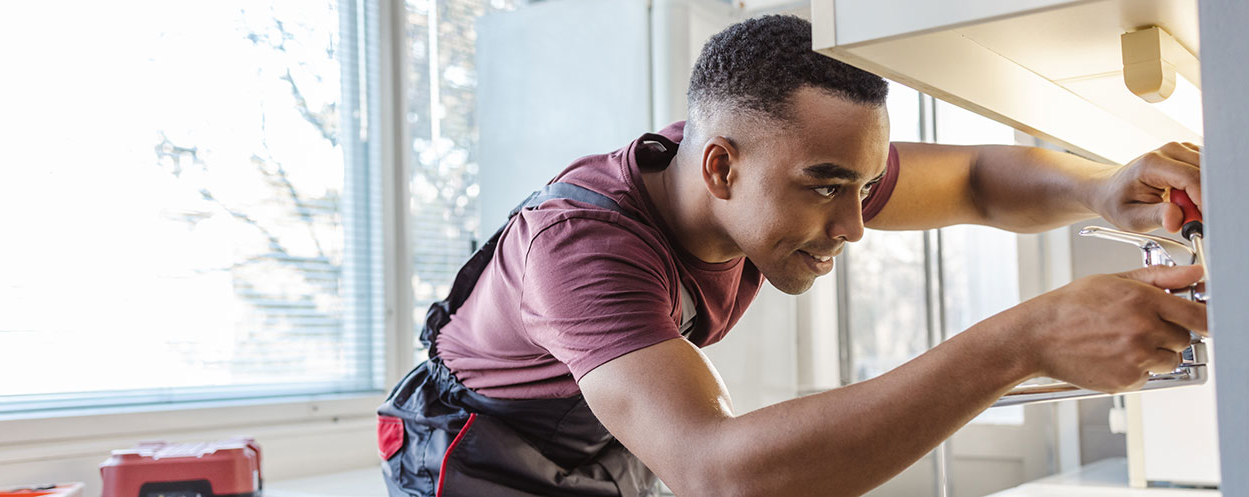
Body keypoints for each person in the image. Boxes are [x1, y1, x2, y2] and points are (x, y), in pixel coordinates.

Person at [377, 14, 1206, 497]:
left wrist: (1099, 188)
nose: (852, 224)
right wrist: (1019, 339)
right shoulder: (581, 252)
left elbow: (983, 183)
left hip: (599, 434)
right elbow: (716, 469)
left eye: (865, 185)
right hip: (472, 457)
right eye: (827, 188)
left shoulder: (769, 166)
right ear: (720, 167)